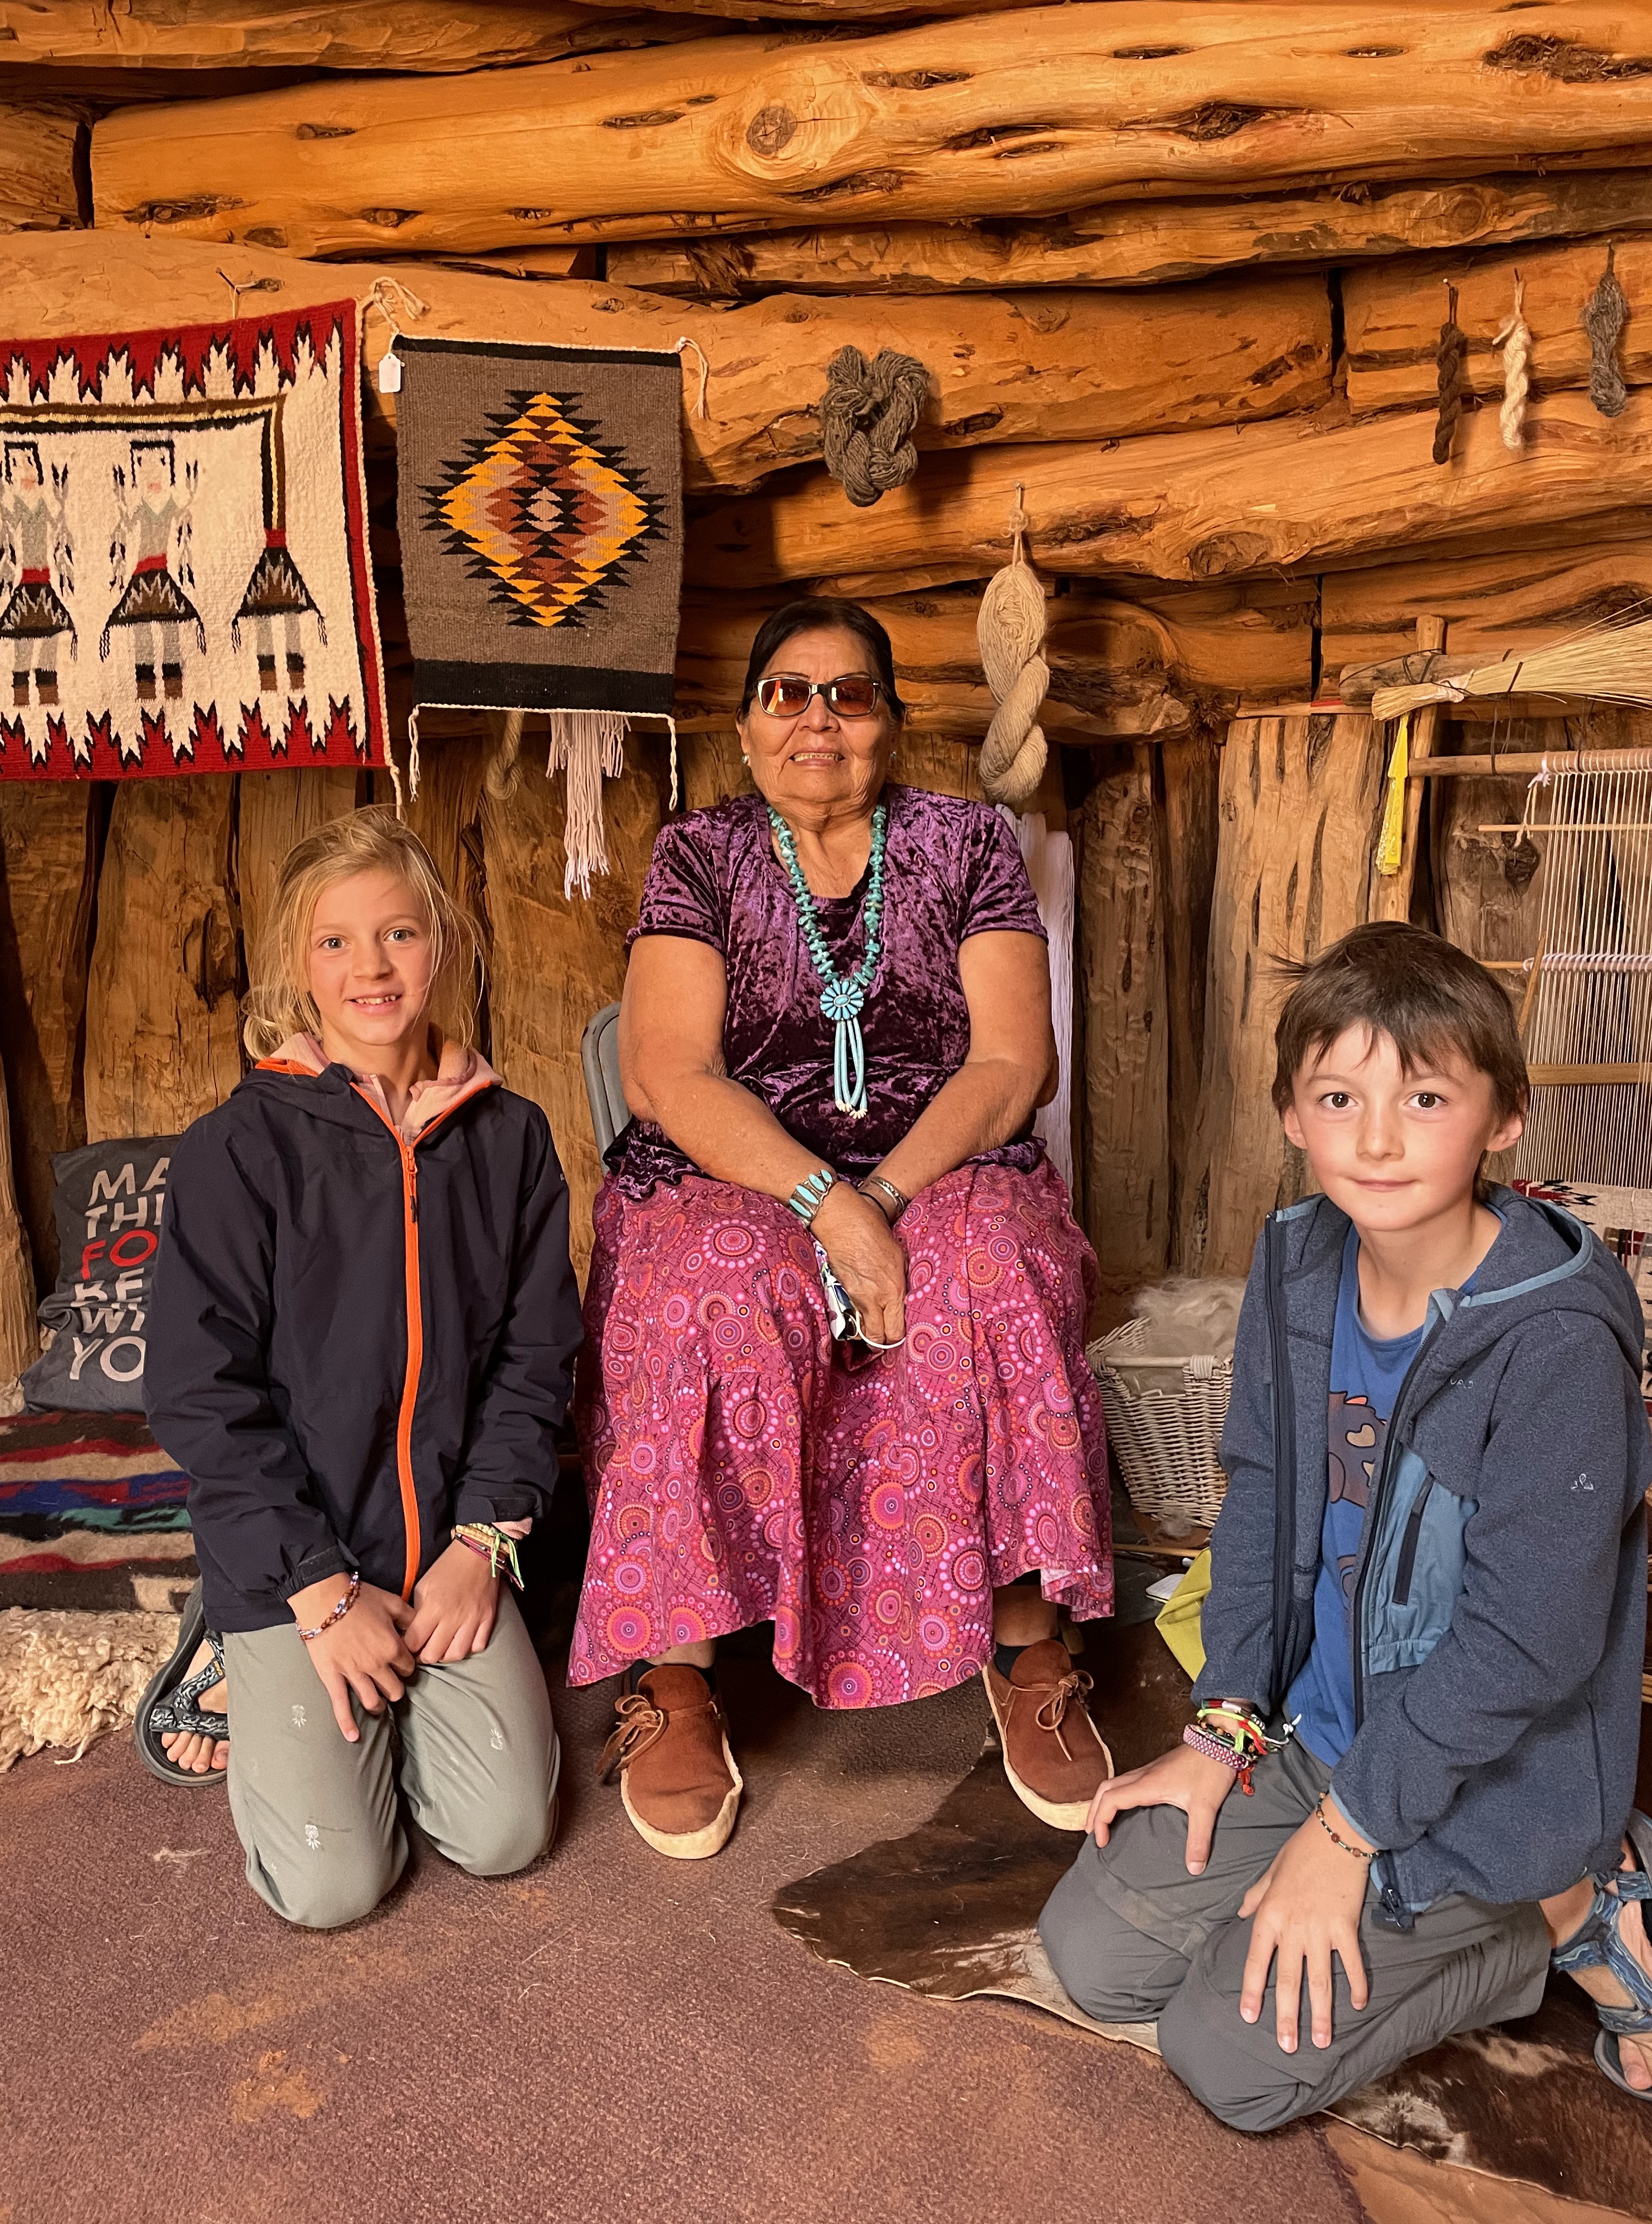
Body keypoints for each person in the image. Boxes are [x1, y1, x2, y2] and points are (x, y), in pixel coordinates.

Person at [1040, 921, 1652, 2122]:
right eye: (1339, 1097)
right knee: (1096, 1954)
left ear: (1505, 1117)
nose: (1376, 1140)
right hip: (1324, 1733)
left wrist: (1345, 1836)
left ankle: (1560, 1906)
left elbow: (1529, 1644)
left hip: (1484, 1781)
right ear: (1292, 1115)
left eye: (1425, 1098)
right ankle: (1396, 1858)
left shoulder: (1557, 1343)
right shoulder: (1299, 1259)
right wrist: (1223, 1726)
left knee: (1231, 2061)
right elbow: (1262, 1491)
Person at [574, 595, 1113, 1862]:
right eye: (788, 693)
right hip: (735, 1174)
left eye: (850, 693)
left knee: (988, 1267)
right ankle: (676, 1669)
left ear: (890, 722)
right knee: (717, 1283)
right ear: (747, 726)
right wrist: (822, 1201)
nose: (818, 718)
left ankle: (1028, 1642)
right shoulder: (700, 854)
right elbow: (668, 1073)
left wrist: (884, 1201)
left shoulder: (965, 842)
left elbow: (1012, 1062)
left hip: (941, 1161)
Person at [140, 807, 580, 1929]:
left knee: (506, 1834)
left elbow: (535, 1360)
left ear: (443, 944)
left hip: (446, 1550)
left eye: (399, 934)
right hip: (295, 1561)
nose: (371, 968)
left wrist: (484, 1545)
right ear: (299, 964)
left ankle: (386, 1680)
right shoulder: (236, 1151)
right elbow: (200, 1395)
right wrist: (319, 1592)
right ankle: (226, 1651)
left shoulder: (511, 1139)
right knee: (332, 1889)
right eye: (335, 941)